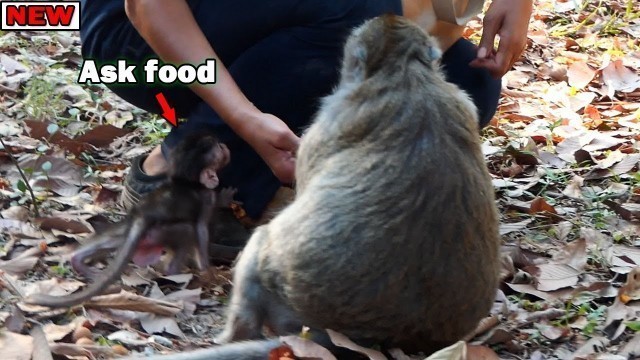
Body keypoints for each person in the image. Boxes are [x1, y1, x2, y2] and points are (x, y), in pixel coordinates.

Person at [79, 0, 532, 224]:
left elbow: (428, 18)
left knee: (465, 84)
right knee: (360, 13)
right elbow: (148, 7)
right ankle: (173, 171)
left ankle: (279, 184)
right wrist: (241, 117)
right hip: (134, 45)